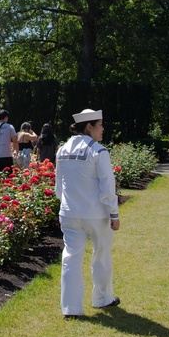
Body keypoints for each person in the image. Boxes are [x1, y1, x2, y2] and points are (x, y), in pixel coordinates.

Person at [56, 109, 120, 318]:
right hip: (96, 215)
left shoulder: (62, 149)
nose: (103, 129)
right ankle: (102, 299)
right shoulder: (98, 150)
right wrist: (114, 214)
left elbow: (59, 186)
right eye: (100, 125)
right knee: (101, 255)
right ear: (89, 127)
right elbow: (107, 185)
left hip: (69, 213)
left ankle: (71, 308)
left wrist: (66, 205)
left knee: (71, 258)